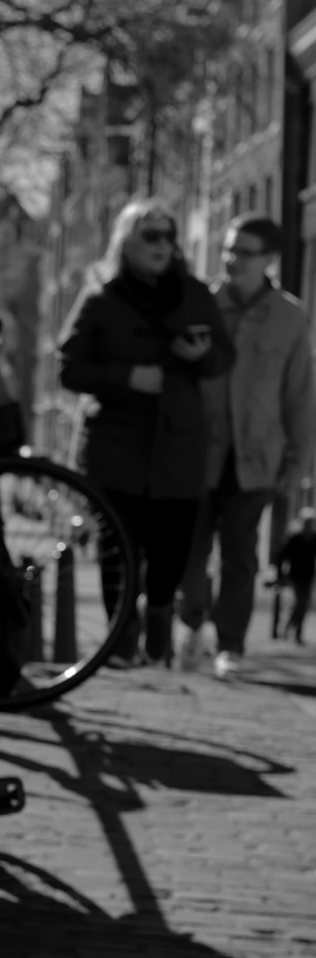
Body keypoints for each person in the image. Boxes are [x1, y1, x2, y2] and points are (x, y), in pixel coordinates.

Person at [58, 197, 234, 665]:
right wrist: (126, 377)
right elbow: (69, 368)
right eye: (150, 236)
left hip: (179, 446)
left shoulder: (196, 294)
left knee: (171, 551)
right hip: (117, 447)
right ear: (126, 241)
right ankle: (119, 645)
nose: (162, 245)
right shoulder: (100, 296)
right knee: (118, 549)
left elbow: (225, 357)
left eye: (167, 236)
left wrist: (201, 357)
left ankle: (158, 625)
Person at [177, 215, 315, 679]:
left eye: (244, 252)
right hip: (199, 453)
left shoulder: (290, 316)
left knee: (240, 554)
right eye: (229, 249)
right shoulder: (202, 304)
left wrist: (297, 462)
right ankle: (192, 620)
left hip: (257, 456)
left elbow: (299, 394)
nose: (232, 259)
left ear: (269, 259)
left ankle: (230, 645)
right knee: (190, 553)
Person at [276, 506, 316, 643]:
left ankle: (296, 630)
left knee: (304, 605)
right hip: (296, 576)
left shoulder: (314, 538)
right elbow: (282, 556)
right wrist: (281, 574)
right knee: (300, 603)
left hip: (309, 576)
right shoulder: (295, 539)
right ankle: (292, 628)